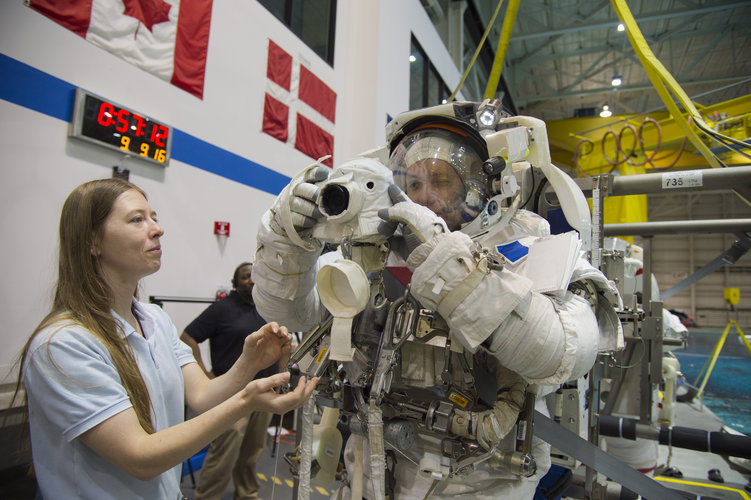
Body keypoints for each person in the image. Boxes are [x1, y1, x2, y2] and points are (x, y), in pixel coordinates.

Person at [252, 101, 621, 499]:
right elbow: (290, 311)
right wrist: (285, 241)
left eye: (442, 180)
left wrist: (446, 263)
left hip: (481, 482)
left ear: (480, 186)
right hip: (370, 469)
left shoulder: (530, 244)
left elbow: (563, 353)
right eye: (413, 184)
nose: (425, 196)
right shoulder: (375, 253)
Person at [12, 178, 318, 500]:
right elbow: (139, 457)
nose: (157, 229)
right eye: (136, 219)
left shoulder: (154, 319)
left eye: (154, 217)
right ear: (93, 242)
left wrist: (249, 363)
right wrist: (246, 401)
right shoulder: (64, 344)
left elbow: (201, 395)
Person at [180, 262, 276, 500]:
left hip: (263, 391)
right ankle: (208, 496)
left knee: (252, 450)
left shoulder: (268, 308)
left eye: (255, 276)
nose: (251, 280)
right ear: (235, 283)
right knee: (225, 451)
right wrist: (204, 376)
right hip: (232, 394)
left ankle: (247, 493)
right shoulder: (222, 309)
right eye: (245, 277)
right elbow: (188, 337)